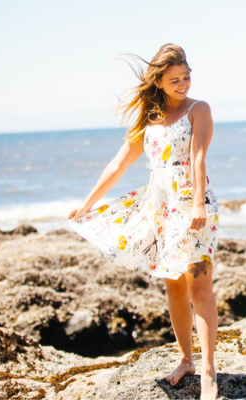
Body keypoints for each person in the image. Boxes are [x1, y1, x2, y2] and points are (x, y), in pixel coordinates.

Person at [67, 43, 220, 400]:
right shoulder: (149, 120)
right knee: (173, 285)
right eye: (175, 80)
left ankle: (210, 371)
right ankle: (186, 360)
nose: (183, 84)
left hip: (195, 207)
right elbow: (118, 164)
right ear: (159, 81)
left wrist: (197, 204)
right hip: (161, 210)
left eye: (186, 77)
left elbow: (198, 160)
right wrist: (87, 203)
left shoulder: (199, 110)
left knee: (199, 286)